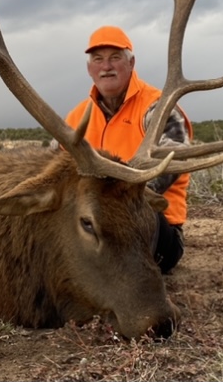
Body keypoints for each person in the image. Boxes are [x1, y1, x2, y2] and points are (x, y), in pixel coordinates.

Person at [65, 25, 192, 274]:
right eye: (98, 59)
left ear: (131, 63)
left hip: (151, 222)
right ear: (90, 69)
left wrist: (110, 199)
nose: (106, 66)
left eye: (115, 57)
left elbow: (168, 164)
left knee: (125, 222)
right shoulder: (76, 118)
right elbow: (55, 167)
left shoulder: (158, 108)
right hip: (92, 221)